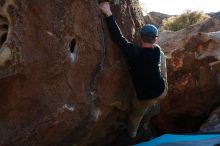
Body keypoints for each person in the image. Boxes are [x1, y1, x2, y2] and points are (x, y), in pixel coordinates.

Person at [99, 2, 168, 138]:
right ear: (154, 40)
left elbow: (118, 38)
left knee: (136, 115)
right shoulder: (157, 50)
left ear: (140, 37)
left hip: (145, 98)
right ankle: (162, 82)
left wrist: (108, 13)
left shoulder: (133, 52)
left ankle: (132, 134)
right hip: (162, 91)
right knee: (162, 58)